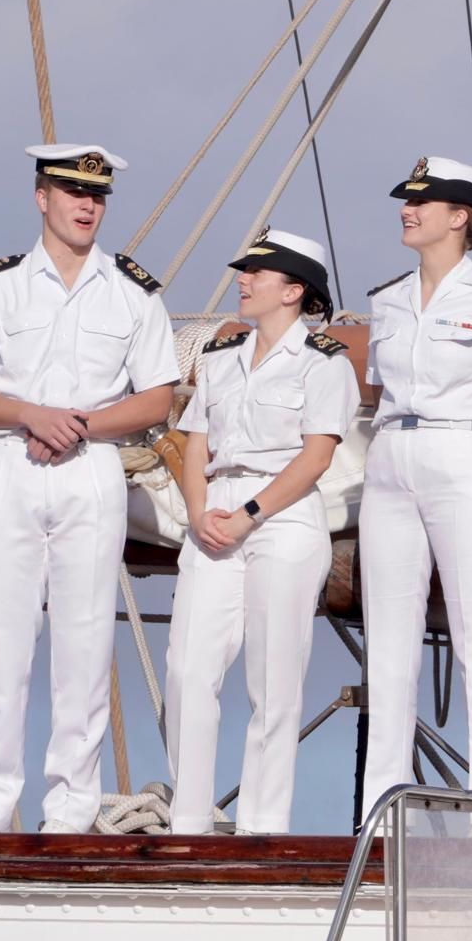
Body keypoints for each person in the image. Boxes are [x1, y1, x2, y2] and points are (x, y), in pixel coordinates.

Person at [0, 144, 180, 833]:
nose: (87, 205)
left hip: (93, 467)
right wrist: (30, 414)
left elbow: (158, 398)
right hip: (14, 460)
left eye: (97, 196)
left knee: (82, 638)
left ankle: (72, 804)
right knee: (2, 632)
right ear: (41, 198)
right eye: (72, 191)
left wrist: (78, 425)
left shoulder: (133, 294)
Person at [358, 156, 472, 823]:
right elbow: (378, 393)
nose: (408, 209)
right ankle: (384, 803)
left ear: (462, 216)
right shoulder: (387, 299)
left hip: (465, 452)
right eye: (407, 200)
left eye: (423, 202)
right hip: (392, 455)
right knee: (391, 633)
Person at [164, 229, 359, 835]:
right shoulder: (220, 359)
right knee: (187, 670)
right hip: (213, 506)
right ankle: (188, 821)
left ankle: (262, 828)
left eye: (257, 272)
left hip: (283, 511)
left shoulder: (326, 362)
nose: (242, 280)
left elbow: (317, 454)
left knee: (273, 680)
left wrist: (249, 514)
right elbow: (195, 440)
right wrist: (198, 511)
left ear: (294, 290)